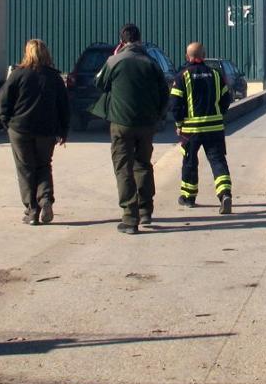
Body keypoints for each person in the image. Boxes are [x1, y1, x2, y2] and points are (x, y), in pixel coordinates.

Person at [91, 23, 169, 234]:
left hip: (121, 123)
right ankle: (145, 211)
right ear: (140, 39)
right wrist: (158, 115)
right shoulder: (151, 63)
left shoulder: (114, 61)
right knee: (143, 165)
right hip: (146, 124)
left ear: (122, 41)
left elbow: (99, 84)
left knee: (123, 168)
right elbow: (164, 92)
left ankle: (129, 216)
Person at [0, 38, 69, 225]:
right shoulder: (54, 77)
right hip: (46, 130)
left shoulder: (18, 75)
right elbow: (64, 106)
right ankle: (45, 200)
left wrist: (5, 122)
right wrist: (63, 129)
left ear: (27, 53)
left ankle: (32, 210)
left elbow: (3, 100)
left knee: (26, 169)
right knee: (44, 165)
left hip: (20, 129)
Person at [169, 42, 234, 214]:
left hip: (191, 130)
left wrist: (178, 124)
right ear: (204, 56)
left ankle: (188, 198)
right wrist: (219, 114)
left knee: (190, 162)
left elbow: (175, 104)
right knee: (218, 160)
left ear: (187, 56)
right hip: (214, 127)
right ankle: (224, 194)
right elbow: (227, 99)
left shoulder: (182, 76)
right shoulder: (216, 74)